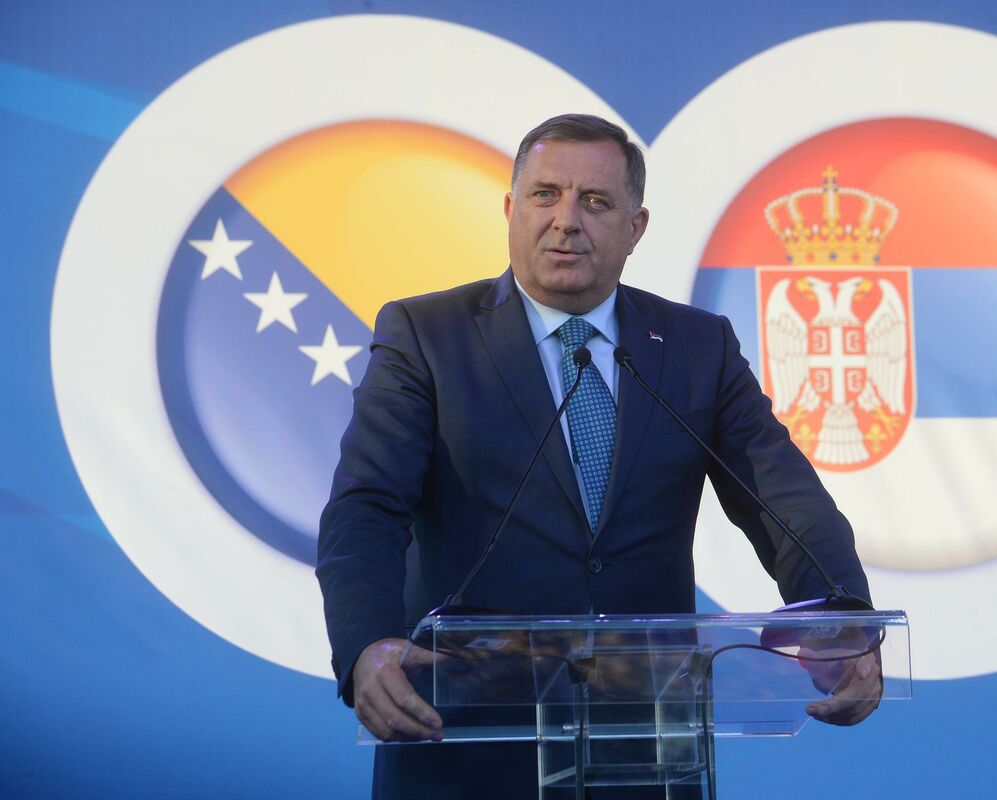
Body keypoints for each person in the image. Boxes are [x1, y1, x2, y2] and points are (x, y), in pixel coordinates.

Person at [317, 113, 878, 798]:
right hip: (460, 739)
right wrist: (369, 643)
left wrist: (844, 620)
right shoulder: (427, 336)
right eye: (545, 194)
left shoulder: (696, 347)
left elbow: (782, 500)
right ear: (511, 209)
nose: (566, 220)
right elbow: (367, 506)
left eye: (595, 201)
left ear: (635, 227)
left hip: (644, 746)